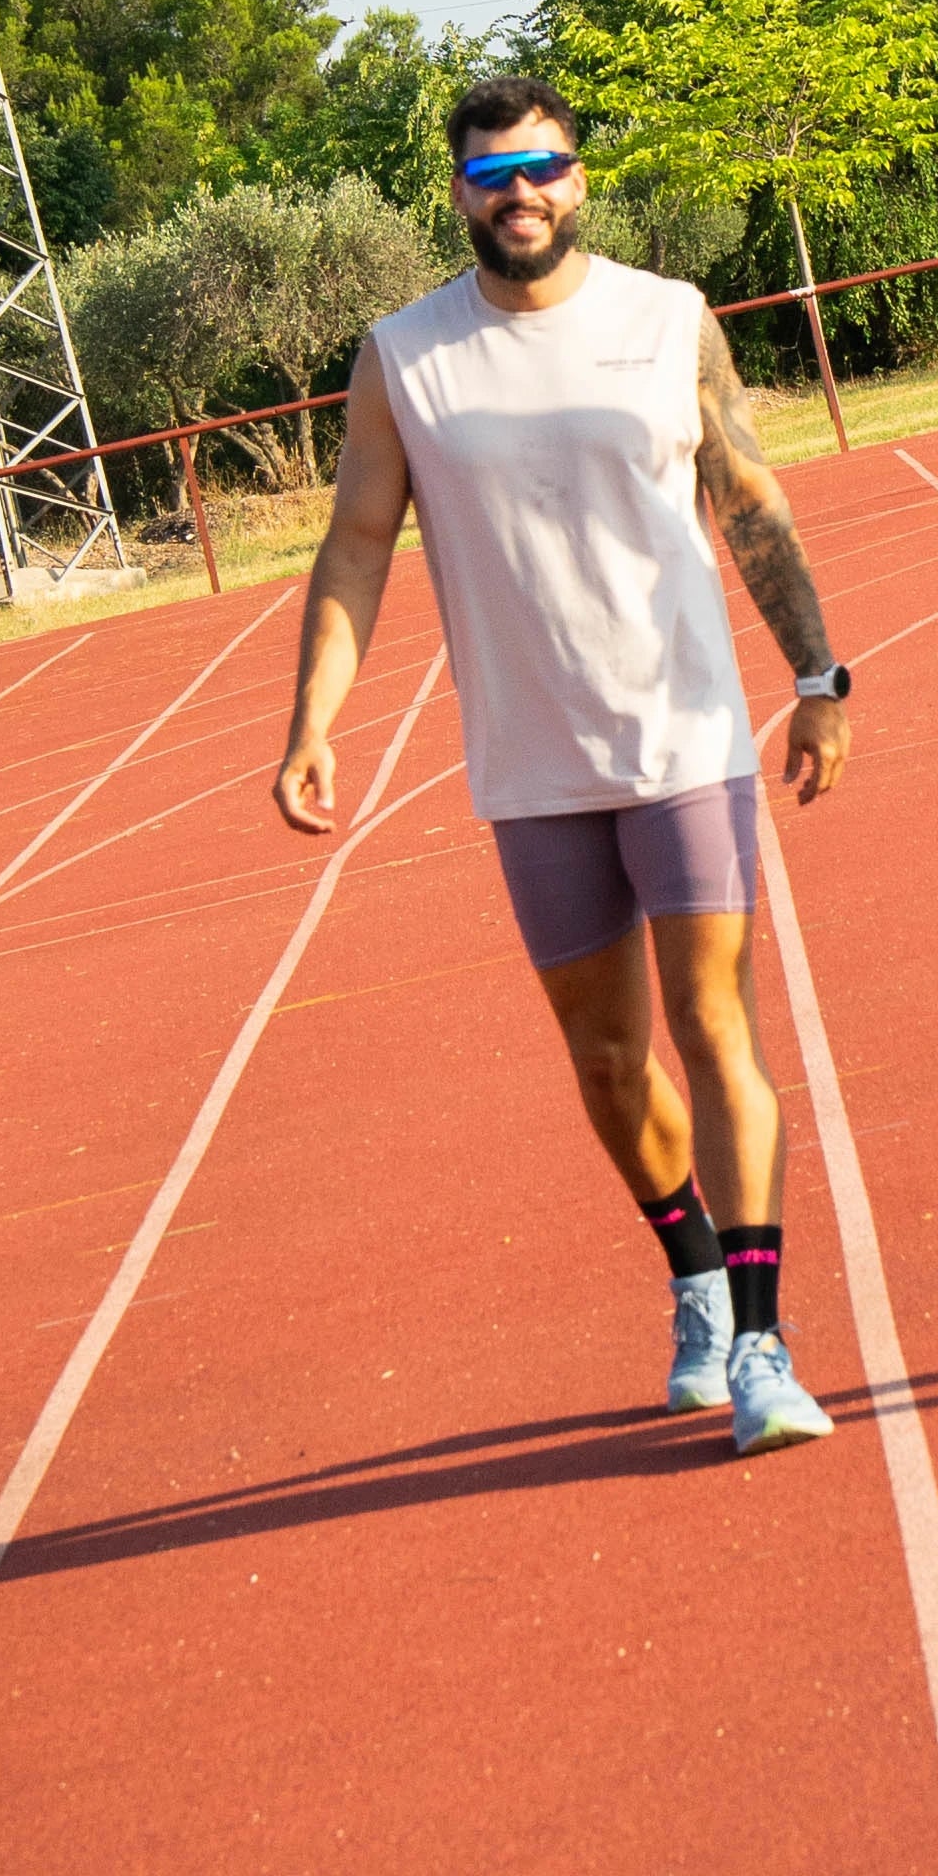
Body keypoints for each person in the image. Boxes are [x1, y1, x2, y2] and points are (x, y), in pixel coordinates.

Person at [272, 78, 853, 1449]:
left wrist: (818, 676)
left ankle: (763, 1349)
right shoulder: (404, 357)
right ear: (460, 193)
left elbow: (750, 501)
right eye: (491, 173)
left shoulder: (665, 320)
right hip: (529, 764)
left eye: (541, 166)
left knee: (718, 1029)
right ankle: (696, 1276)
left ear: (578, 180)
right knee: (606, 1061)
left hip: (683, 739)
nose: (518, 190)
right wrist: (312, 719)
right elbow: (358, 547)